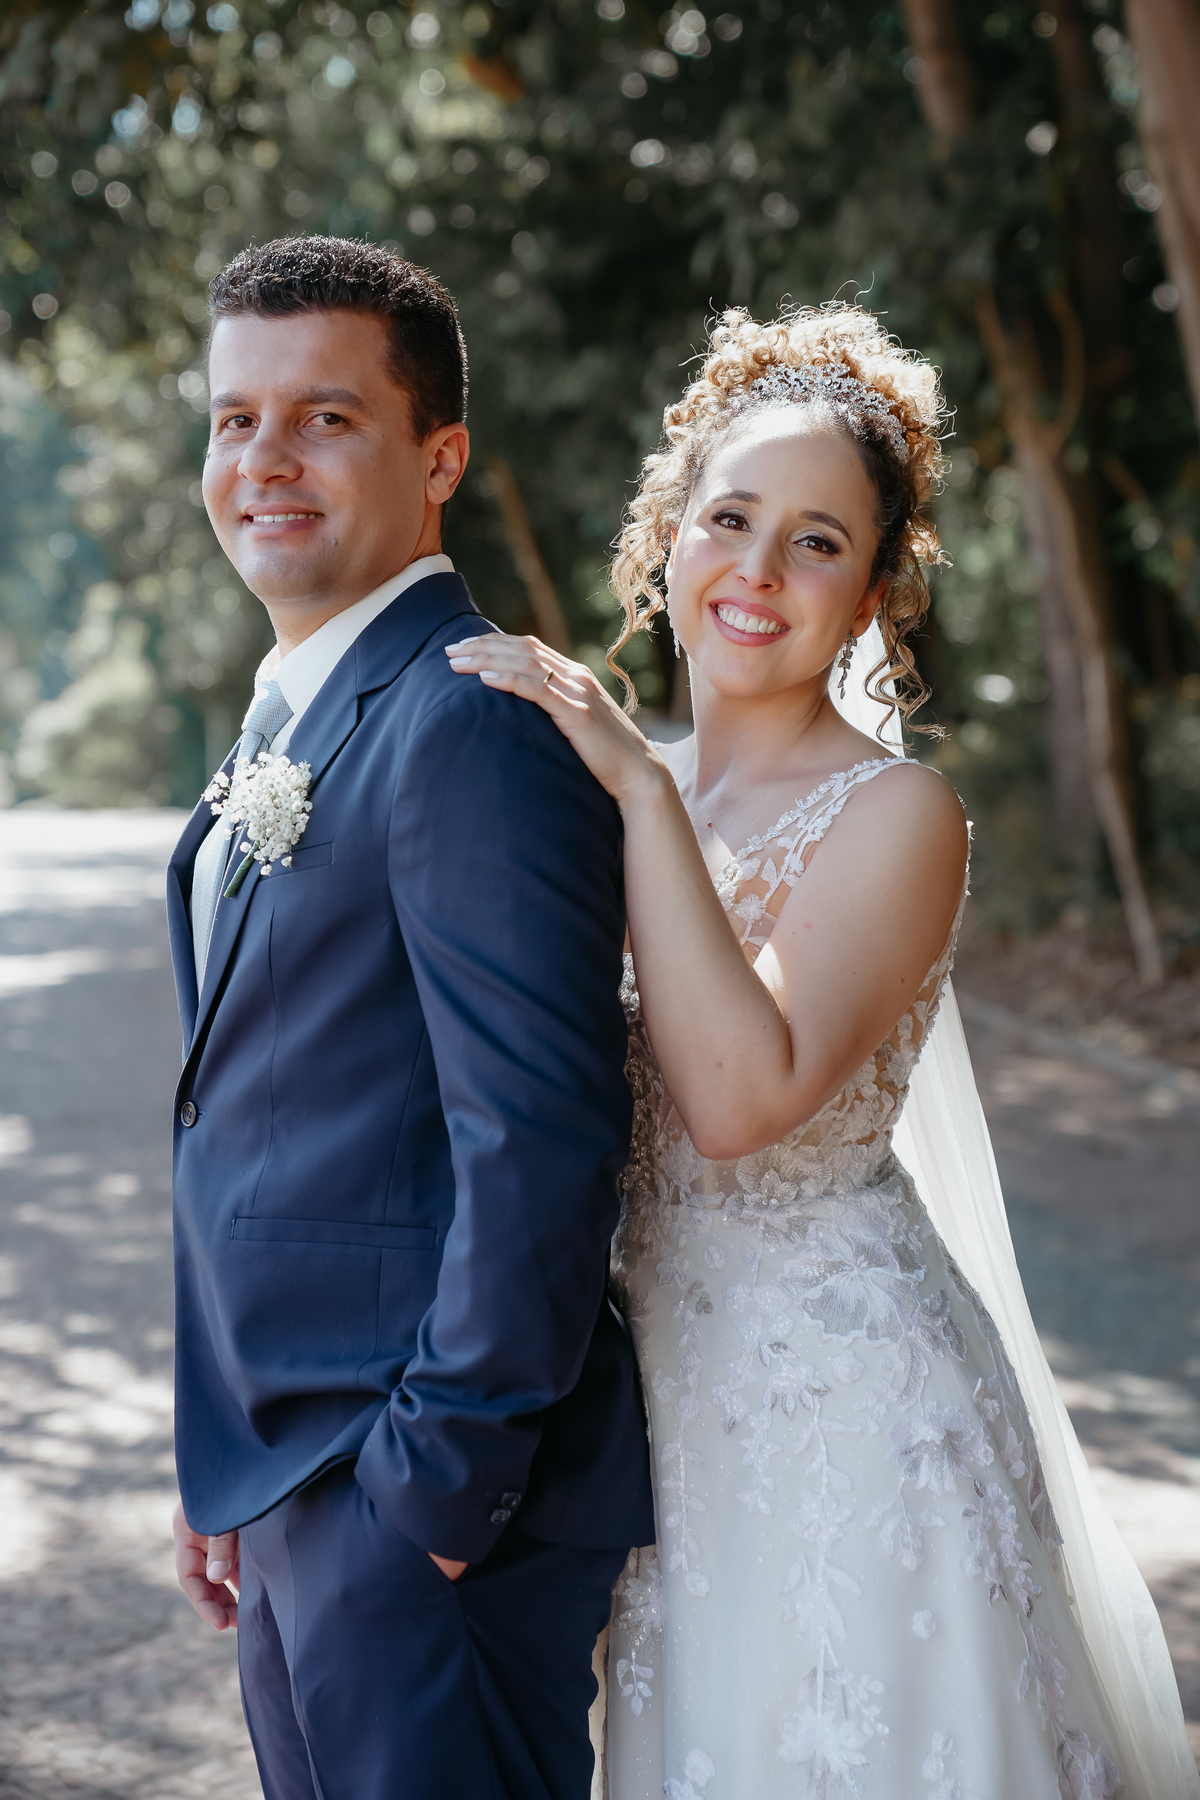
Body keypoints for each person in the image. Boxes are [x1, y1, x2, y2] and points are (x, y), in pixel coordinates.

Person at [446, 304, 1200, 1800]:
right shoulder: (615, 786)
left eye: (818, 543)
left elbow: (740, 1100)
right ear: (668, 535)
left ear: (871, 598)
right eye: (731, 519)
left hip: (852, 1421)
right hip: (661, 1422)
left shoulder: (896, 816)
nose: (759, 570)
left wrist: (639, 798)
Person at [165, 234, 654, 1800]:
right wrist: (227, 1448)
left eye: (325, 418)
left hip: (424, 1499)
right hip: (294, 1467)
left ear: (440, 457)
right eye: (235, 420)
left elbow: (543, 1139)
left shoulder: (467, 722)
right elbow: (259, 1111)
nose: (265, 460)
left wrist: (435, 1496)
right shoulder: (298, 713)